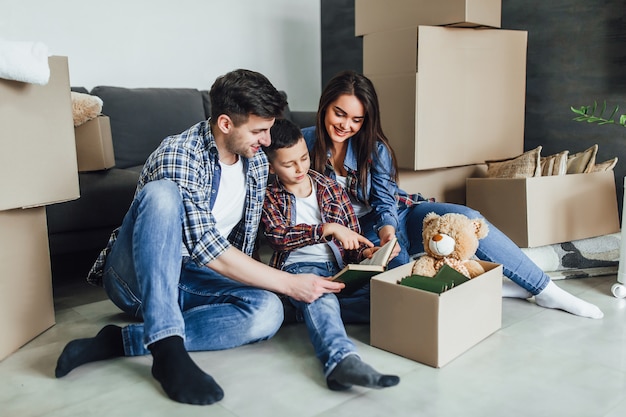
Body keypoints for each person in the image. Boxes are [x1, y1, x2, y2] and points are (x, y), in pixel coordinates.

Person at [54, 69, 345, 406]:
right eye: (258, 131)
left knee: (268, 311)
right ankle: (167, 349)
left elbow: (241, 250)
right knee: (162, 194)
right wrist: (289, 283)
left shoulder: (254, 163)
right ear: (225, 124)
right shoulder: (178, 154)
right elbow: (210, 249)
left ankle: (121, 341)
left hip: (191, 279)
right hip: (136, 279)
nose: (267, 141)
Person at [302, 70, 604, 320]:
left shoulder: (373, 147)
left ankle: (547, 291)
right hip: (357, 232)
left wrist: (388, 232)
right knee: (402, 291)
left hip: (397, 215)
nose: (345, 125)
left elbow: (385, 201)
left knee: (467, 220)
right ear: (324, 106)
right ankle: (484, 286)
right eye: (339, 114)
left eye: (357, 120)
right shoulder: (302, 144)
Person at [261, 118, 400, 391]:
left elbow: (353, 238)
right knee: (320, 295)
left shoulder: (330, 187)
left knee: (386, 299)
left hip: (338, 270)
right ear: (271, 166)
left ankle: (301, 312)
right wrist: (325, 229)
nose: (300, 168)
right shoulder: (269, 196)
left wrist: (369, 253)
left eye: (303, 158)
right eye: (289, 164)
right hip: (299, 270)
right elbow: (279, 237)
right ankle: (341, 362)